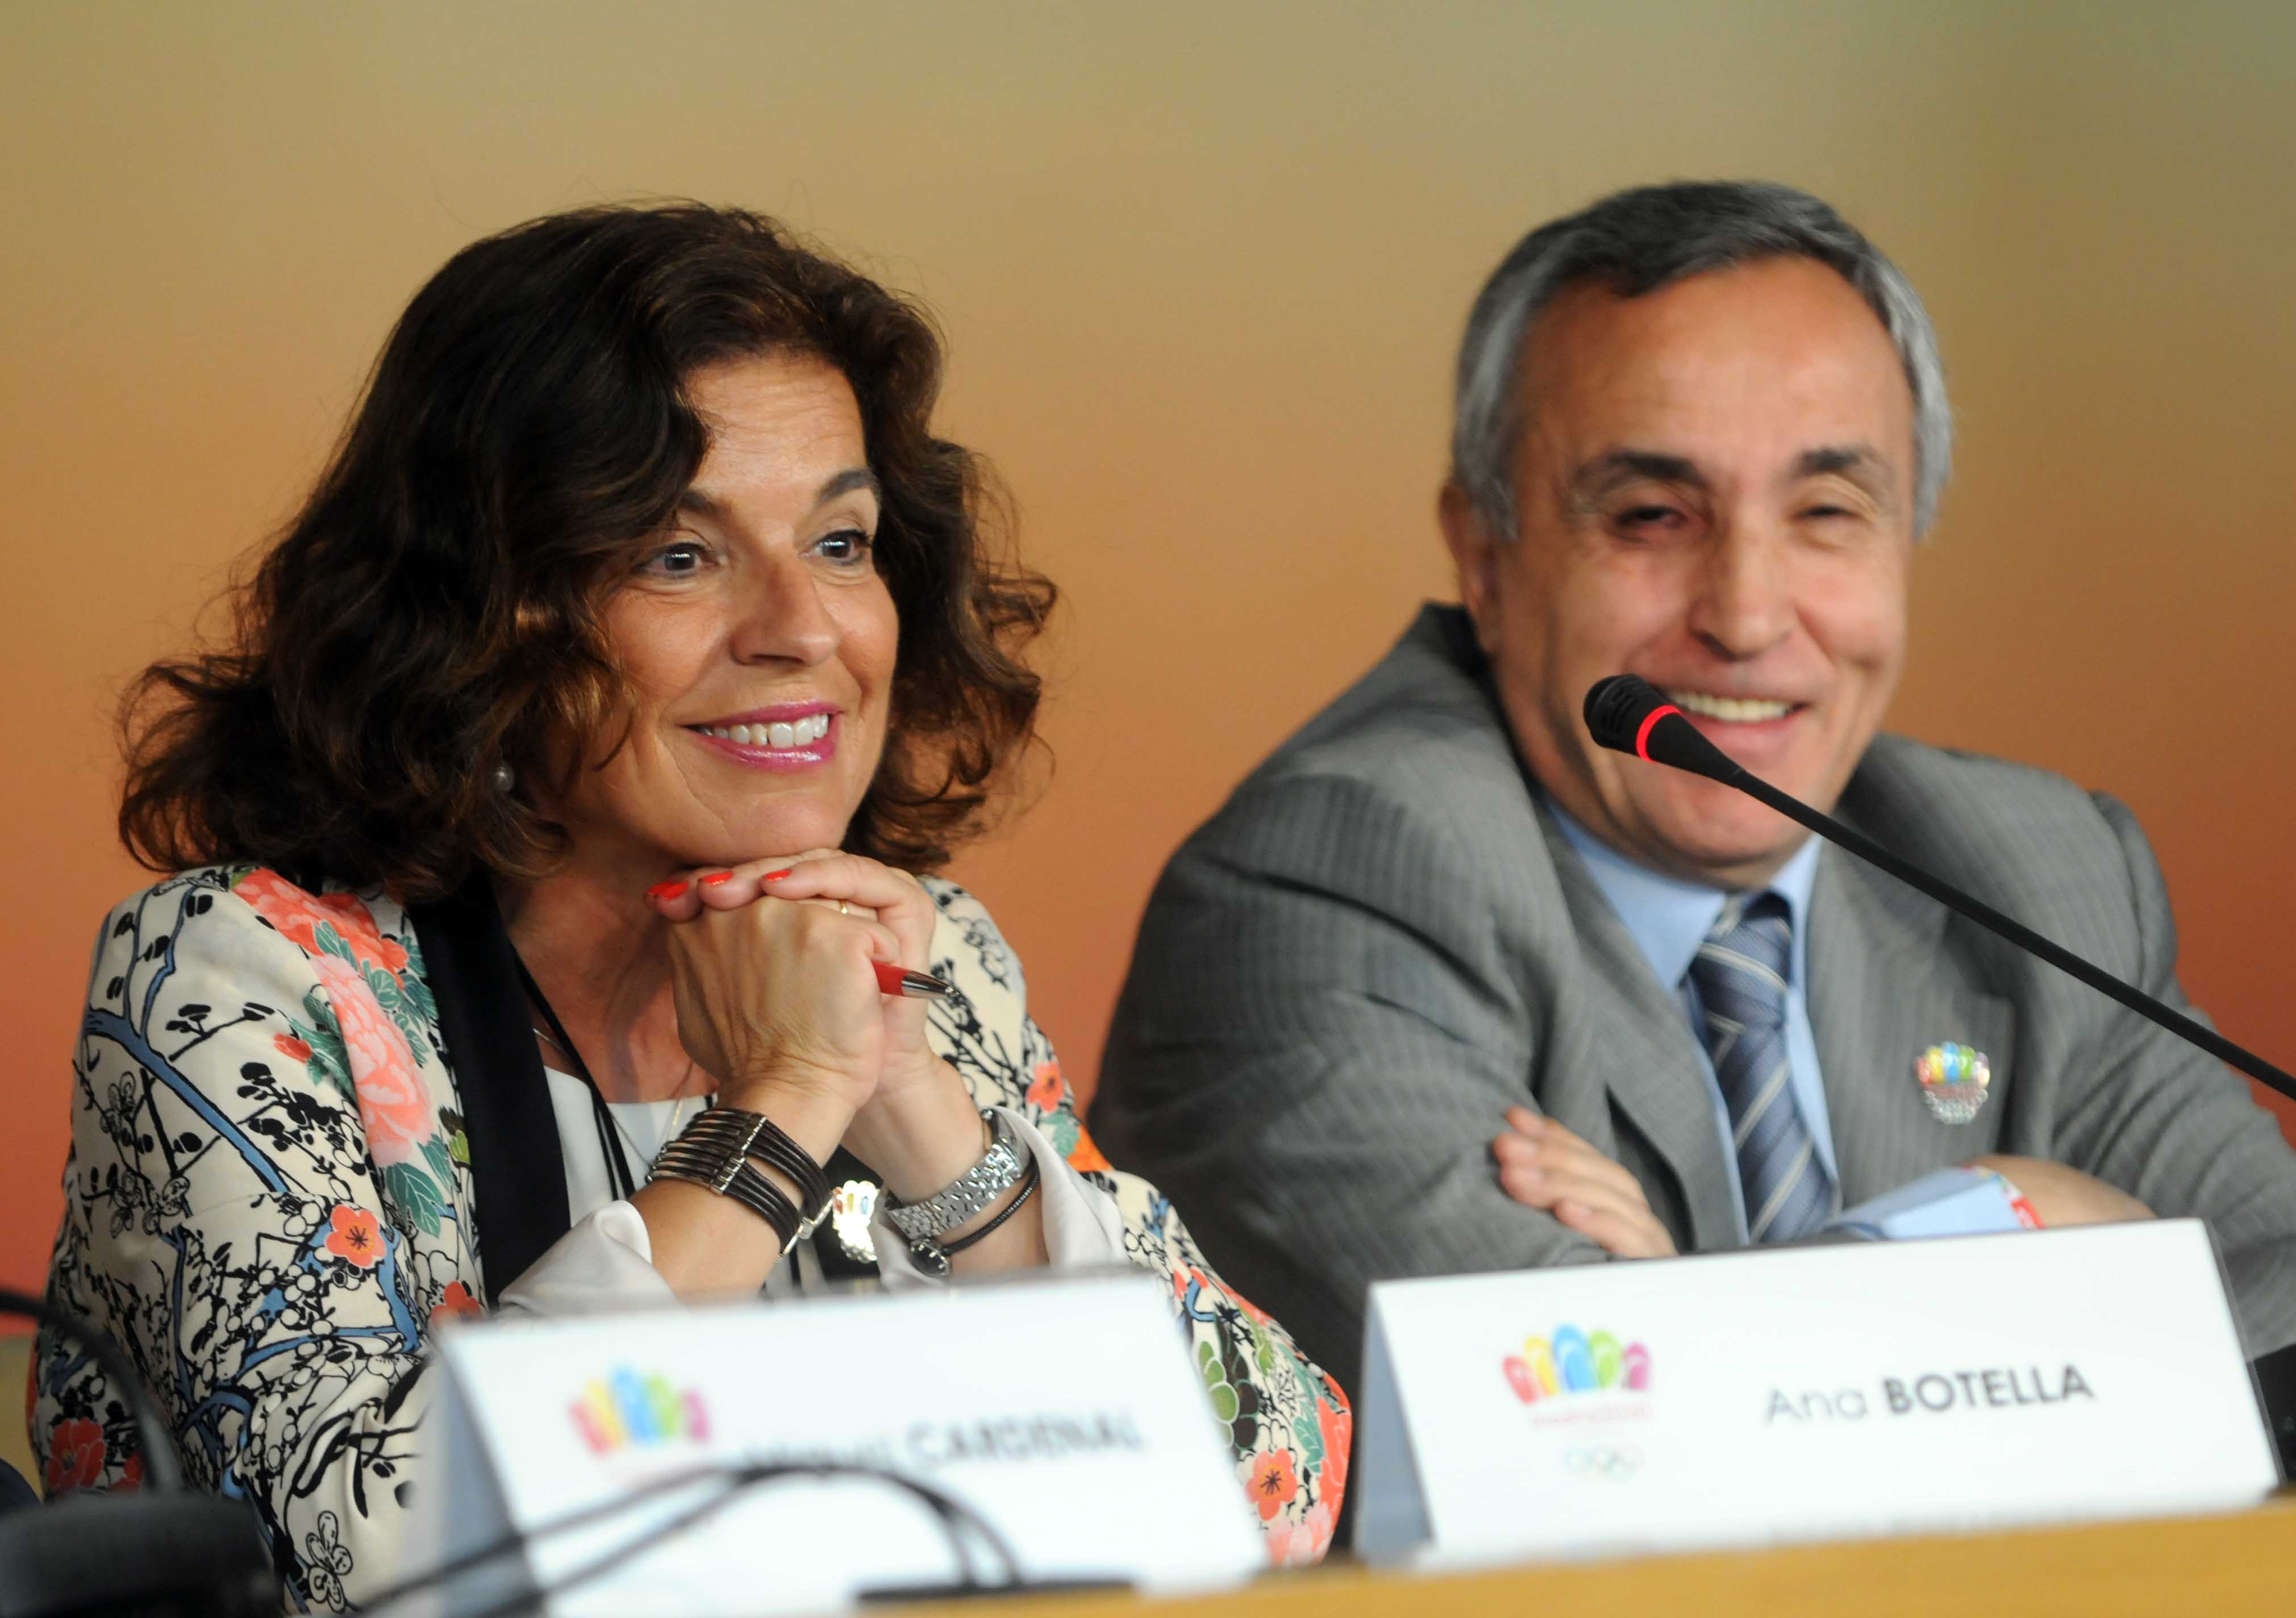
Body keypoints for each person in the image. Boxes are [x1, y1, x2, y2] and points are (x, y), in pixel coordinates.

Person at [32, 203, 1347, 1609]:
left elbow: (1274, 1495)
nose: (802, 627)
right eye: (679, 553)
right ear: (483, 614)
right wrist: (782, 1107)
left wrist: (920, 1113)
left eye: (840, 541)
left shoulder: (929, 957)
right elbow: (356, 1571)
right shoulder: (241, 975)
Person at [1093, 180, 2296, 1400]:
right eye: (1651, 515)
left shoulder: (2038, 872)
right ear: (1483, 556)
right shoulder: (1326, 881)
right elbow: (1569, 1414)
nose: (1746, 614)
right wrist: (2007, 1227)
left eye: (1825, 511)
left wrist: (1697, 1307)